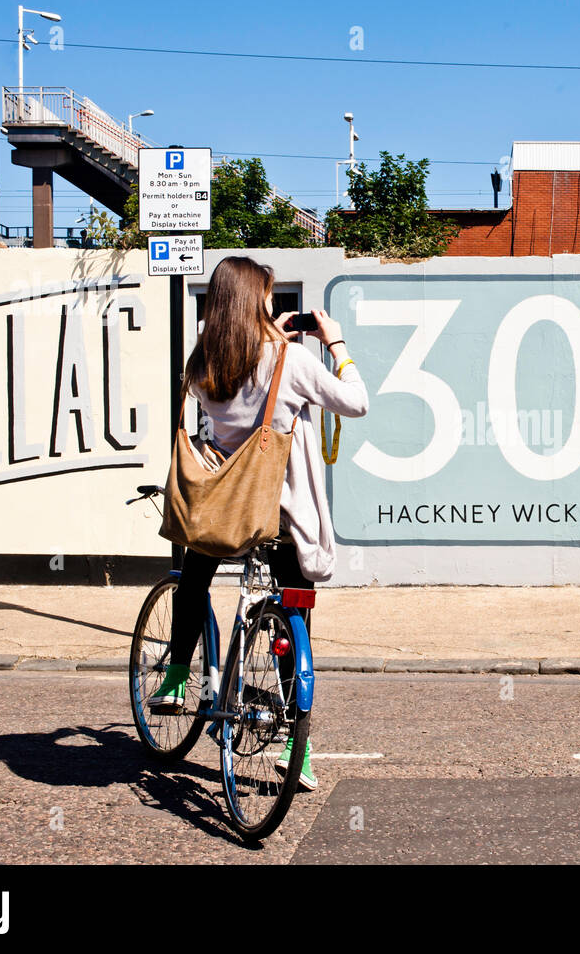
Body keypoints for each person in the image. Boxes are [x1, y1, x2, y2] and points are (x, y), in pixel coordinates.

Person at [147, 256, 368, 790]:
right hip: (284, 515)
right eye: (268, 296)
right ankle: (298, 744)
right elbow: (356, 403)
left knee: (196, 573)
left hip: (227, 507)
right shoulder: (291, 361)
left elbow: (221, 335)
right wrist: (335, 343)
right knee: (295, 614)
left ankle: (178, 675)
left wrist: (263, 325)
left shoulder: (204, 362)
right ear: (260, 300)